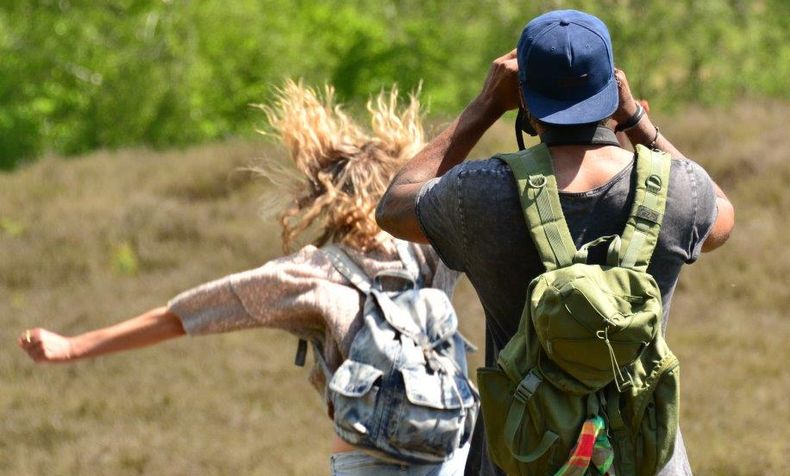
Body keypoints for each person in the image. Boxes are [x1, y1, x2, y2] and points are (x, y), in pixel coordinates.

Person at [18, 82, 469, 476]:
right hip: (452, 452)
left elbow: (184, 315)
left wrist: (72, 347)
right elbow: (460, 187)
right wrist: (488, 103)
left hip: (368, 460)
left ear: (321, 196)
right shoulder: (432, 245)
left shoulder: (312, 275)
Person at [375, 9, 736, 475]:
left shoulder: (480, 193)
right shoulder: (679, 191)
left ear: (523, 98)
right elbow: (723, 213)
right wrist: (637, 120)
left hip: (521, 458)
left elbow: (393, 207)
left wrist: (484, 106)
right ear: (612, 91)